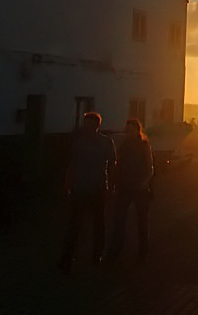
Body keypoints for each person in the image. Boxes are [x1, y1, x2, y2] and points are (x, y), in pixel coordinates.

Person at [58, 111, 117, 272]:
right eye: (85, 124)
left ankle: (96, 254)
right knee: (74, 224)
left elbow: (112, 165)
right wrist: (67, 183)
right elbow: (73, 163)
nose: (86, 127)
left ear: (96, 125)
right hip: (80, 187)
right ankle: (68, 256)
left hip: (98, 187)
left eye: (89, 124)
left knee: (98, 223)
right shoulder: (79, 142)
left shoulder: (106, 142)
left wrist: (111, 187)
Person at [107, 119, 154, 262]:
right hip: (125, 186)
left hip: (139, 187)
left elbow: (150, 167)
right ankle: (116, 249)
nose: (129, 133)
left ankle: (143, 251)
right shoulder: (124, 146)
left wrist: (144, 182)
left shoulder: (144, 145)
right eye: (127, 130)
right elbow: (118, 165)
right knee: (119, 219)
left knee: (142, 221)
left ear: (137, 130)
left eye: (131, 130)